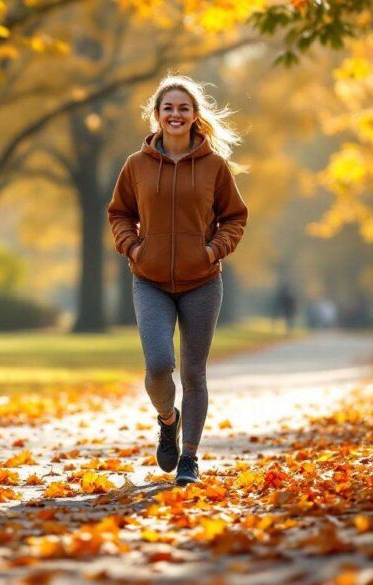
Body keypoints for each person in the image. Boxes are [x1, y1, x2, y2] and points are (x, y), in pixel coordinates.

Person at [107, 74, 248, 486]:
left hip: (202, 281)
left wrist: (212, 250)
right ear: (156, 115)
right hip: (149, 279)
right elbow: (118, 213)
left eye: (183, 107)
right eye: (168, 107)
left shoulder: (214, 167)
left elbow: (235, 217)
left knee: (194, 373)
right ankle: (168, 420)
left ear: (194, 116)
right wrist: (133, 249)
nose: (175, 114)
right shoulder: (135, 166)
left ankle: (189, 457)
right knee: (157, 366)